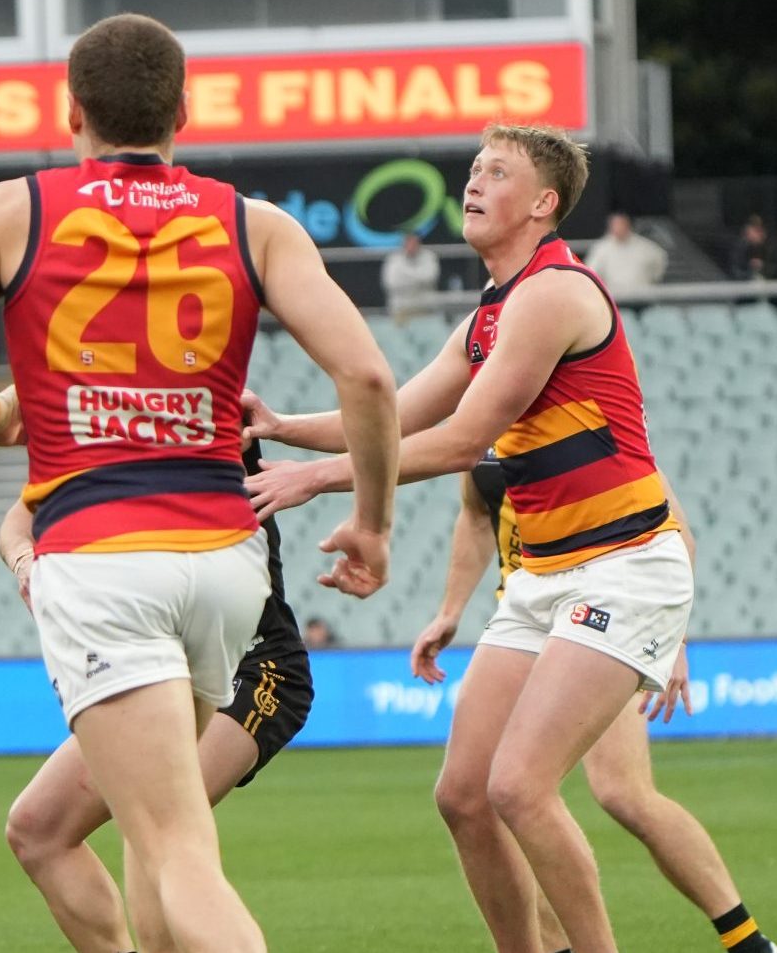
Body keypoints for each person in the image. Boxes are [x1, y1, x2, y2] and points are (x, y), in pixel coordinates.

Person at [0, 12, 401, 953]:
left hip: (104, 551)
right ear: (183, 112)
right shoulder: (256, 222)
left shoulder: (17, 209)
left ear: (69, 108)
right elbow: (368, 378)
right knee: (153, 841)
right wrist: (371, 520)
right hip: (225, 562)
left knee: (171, 846)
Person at [245, 125, 689, 953]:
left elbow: (458, 439)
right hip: (546, 576)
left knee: (519, 786)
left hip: (623, 566)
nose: (474, 182)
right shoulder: (491, 309)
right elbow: (394, 413)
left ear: (545, 204)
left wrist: (313, 479)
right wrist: (283, 426)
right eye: (474, 169)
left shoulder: (554, 292)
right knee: (463, 795)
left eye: (497, 171)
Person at [413, 473, 777, 953]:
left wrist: (675, 639)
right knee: (486, 799)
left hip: (603, 616)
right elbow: (475, 514)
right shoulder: (484, 435)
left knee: (621, 792)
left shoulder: (576, 424)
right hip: (526, 622)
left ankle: (748, 941)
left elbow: (675, 532)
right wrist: (450, 610)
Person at [0, 439, 317, 953]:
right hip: (157, 667)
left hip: (256, 666)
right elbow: (18, 520)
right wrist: (25, 564)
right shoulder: (92, 418)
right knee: (37, 829)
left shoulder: (198, 399)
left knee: (158, 826)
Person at [583, 212, 668, 297]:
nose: (618, 227)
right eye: (615, 224)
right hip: (615, 298)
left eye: (621, 224)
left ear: (628, 225)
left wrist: (651, 280)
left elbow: (660, 261)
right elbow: (591, 271)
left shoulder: (645, 246)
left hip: (643, 296)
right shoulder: (601, 248)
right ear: (610, 226)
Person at [382, 230, 443, 321]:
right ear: (404, 243)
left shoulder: (429, 256)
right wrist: (418, 278)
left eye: (414, 242)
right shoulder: (393, 259)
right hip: (401, 309)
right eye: (408, 241)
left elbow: (430, 277)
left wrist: (404, 275)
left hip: (425, 309)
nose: (411, 245)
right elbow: (391, 283)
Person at [726, 215, 768, 281]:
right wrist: (751, 267)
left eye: (761, 231)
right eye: (756, 231)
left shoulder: (761, 247)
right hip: (741, 281)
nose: (761, 234)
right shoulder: (740, 247)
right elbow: (735, 271)